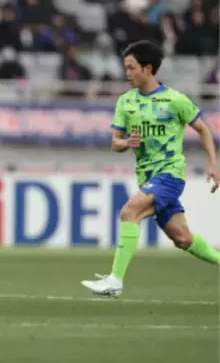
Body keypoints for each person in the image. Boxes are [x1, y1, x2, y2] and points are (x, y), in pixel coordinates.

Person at [81, 40, 220, 297]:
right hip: (147, 178)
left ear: (147, 68)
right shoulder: (125, 102)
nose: (127, 73)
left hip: (170, 174)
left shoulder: (174, 100)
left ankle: (115, 280)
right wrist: (127, 143)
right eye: (125, 68)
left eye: (131, 67)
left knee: (129, 212)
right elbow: (115, 143)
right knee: (183, 239)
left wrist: (213, 164)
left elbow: (203, 129)